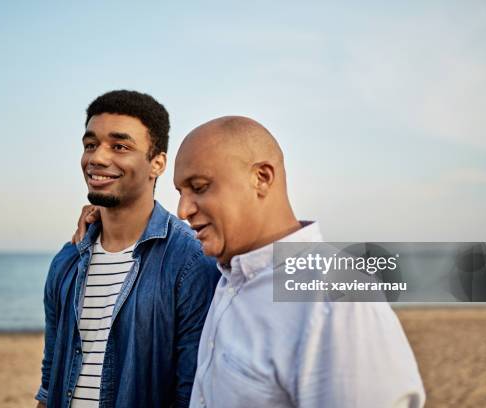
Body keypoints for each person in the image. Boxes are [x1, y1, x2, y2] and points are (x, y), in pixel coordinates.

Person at [75, 115, 426, 407]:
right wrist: (105, 217)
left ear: (261, 178)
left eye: (200, 187)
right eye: (181, 193)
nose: (184, 210)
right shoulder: (226, 277)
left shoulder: (335, 300)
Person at [35, 90, 219, 408]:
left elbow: (190, 393)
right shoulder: (66, 261)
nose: (97, 158)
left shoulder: (191, 261)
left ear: (157, 163)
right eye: (90, 144)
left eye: (119, 146)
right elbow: (50, 381)